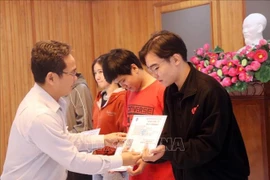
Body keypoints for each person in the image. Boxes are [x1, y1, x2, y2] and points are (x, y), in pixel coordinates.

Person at [0, 40, 141, 180]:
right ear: (51, 78)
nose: (76, 79)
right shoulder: (39, 115)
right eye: (72, 73)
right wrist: (121, 160)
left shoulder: (53, 102)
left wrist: (104, 139)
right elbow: (74, 160)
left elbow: (65, 139)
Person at [139, 30, 250, 180]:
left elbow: (207, 144)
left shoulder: (209, 90)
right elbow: (170, 135)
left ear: (176, 59)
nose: (154, 75)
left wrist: (168, 151)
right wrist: (154, 149)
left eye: (156, 68)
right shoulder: (170, 91)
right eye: (150, 70)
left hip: (219, 174)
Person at [102, 49, 175, 180]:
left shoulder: (162, 90)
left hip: (162, 172)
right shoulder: (128, 94)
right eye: (119, 83)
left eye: (123, 80)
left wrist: (148, 158)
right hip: (137, 172)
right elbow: (129, 130)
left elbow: (173, 134)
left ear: (134, 68)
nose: (123, 85)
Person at [91, 54, 128, 180]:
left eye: (100, 72)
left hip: (114, 162)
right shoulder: (98, 98)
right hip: (97, 159)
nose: (97, 76)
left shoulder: (122, 97)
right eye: (95, 72)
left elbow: (125, 131)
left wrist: (117, 160)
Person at [65, 73, 94, 180]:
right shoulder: (61, 92)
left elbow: (85, 126)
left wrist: (62, 137)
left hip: (80, 152)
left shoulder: (80, 89)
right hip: (67, 150)